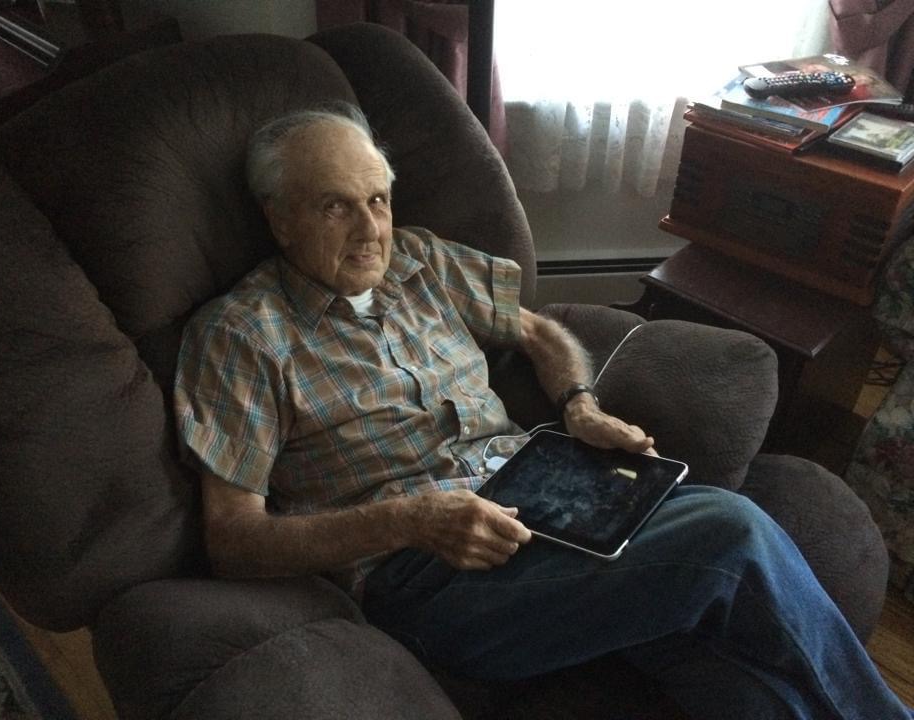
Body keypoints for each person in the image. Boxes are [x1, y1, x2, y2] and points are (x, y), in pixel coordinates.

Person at [174, 103, 911, 720]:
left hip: (545, 492)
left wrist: (580, 407)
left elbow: (536, 330)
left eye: (378, 199)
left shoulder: (421, 263)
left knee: (718, 662)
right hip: (427, 577)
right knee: (728, 532)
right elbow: (233, 540)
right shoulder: (242, 336)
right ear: (278, 220)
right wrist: (408, 520)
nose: (370, 231)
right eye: (335, 206)